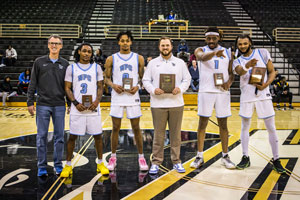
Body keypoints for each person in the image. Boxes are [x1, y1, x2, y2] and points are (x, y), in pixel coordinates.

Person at [232, 34, 286, 173]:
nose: (242, 46)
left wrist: (266, 84)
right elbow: (239, 72)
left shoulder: (262, 52)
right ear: (237, 46)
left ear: (250, 43)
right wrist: (247, 65)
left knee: (271, 127)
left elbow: (272, 71)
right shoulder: (237, 60)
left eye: (245, 43)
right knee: (245, 127)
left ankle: (276, 159)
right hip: (247, 96)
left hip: (263, 94)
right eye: (240, 44)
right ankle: (245, 157)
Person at [142, 36, 191, 174]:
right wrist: (153, 90)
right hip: (158, 104)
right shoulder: (152, 63)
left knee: (176, 134)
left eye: (167, 45)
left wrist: (180, 89)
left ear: (171, 47)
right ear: (159, 47)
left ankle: (176, 161)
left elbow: (187, 79)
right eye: (162, 45)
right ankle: (156, 162)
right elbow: (146, 80)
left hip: (176, 103)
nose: (165, 48)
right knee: (158, 135)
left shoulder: (180, 62)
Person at [60, 43, 109, 178]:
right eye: (84, 51)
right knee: (72, 137)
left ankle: (100, 163)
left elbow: (100, 86)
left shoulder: (96, 68)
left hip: (93, 108)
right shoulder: (71, 68)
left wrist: (97, 102)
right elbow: (67, 88)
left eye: (89, 51)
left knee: (98, 136)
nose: (87, 53)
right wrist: (75, 102)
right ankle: (68, 165)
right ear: (79, 52)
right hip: (77, 108)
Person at [190, 27, 235, 170]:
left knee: (223, 124)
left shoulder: (228, 52)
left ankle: (225, 156)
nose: (210, 41)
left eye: (213, 38)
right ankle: (199, 156)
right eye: (208, 38)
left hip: (222, 93)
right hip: (206, 91)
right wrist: (215, 53)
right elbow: (202, 58)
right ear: (205, 39)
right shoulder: (200, 50)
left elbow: (231, 72)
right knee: (202, 124)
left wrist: (229, 83)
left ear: (218, 38)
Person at [104, 31, 148, 171]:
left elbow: (143, 78)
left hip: (132, 96)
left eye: (127, 41)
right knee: (115, 128)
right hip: (117, 96)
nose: (124, 43)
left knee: (136, 128)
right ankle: (113, 157)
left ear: (131, 42)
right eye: (122, 41)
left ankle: (141, 157)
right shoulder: (111, 59)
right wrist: (113, 86)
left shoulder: (138, 58)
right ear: (118, 42)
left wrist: (138, 86)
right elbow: (106, 78)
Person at [27, 34, 69, 177]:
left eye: (57, 43)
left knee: (59, 137)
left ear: (61, 46)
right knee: (41, 136)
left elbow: (68, 86)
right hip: (42, 104)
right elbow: (32, 83)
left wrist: (69, 103)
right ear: (48, 45)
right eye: (51, 43)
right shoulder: (39, 62)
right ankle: (42, 166)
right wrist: (29, 101)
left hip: (59, 104)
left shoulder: (65, 64)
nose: (54, 46)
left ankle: (58, 165)